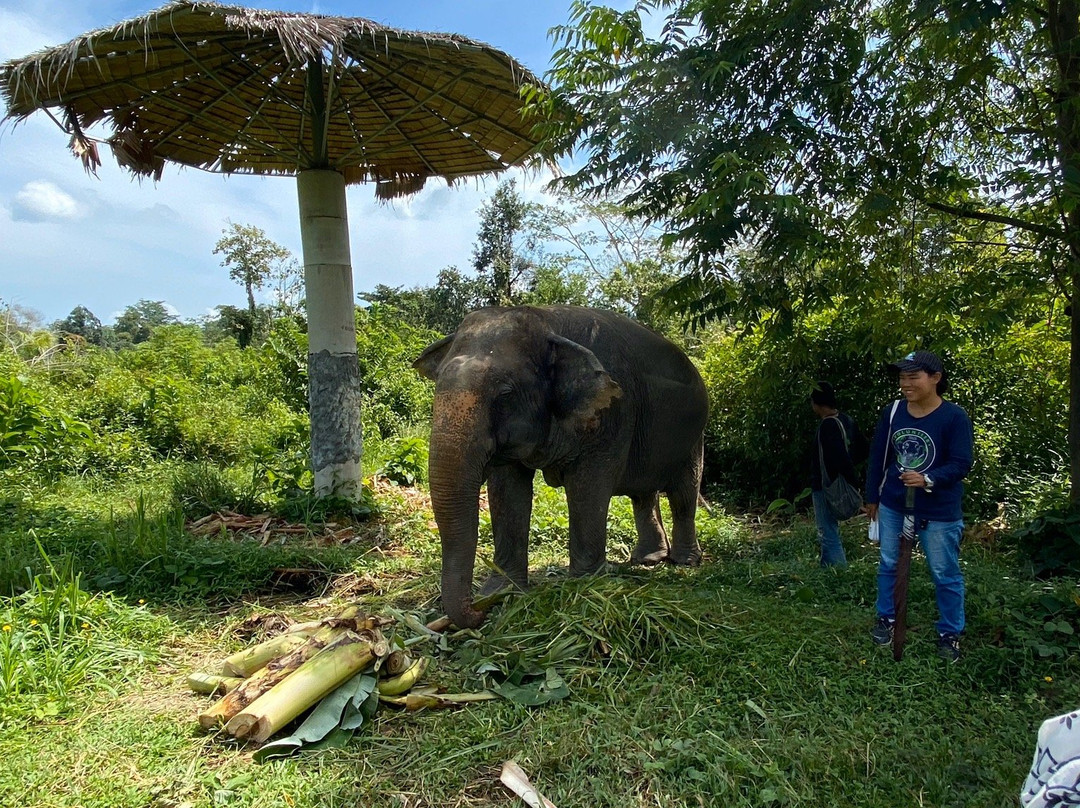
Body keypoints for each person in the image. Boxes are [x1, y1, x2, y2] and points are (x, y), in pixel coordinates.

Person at [864, 350, 973, 662]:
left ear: (935, 378)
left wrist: (929, 479)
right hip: (895, 504)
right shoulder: (894, 411)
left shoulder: (954, 417)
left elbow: (962, 463)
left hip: (938, 509)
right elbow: (879, 456)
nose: (905, 383)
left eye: (913, 376)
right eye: (902, 377)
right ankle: (887, 619)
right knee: (889, 564)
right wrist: (873, 497)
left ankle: (950, 633)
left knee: (944, 571)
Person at [809, 381, 863, 568]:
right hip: (838, 483)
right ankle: (826, 570)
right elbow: (862, 450)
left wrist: (845, 479)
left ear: (816, 403)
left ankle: (840, 572)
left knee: (827, 531)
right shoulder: (847, 420)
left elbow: (838, 458)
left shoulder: (827, 426)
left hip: (827, 486)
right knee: (828, 530)